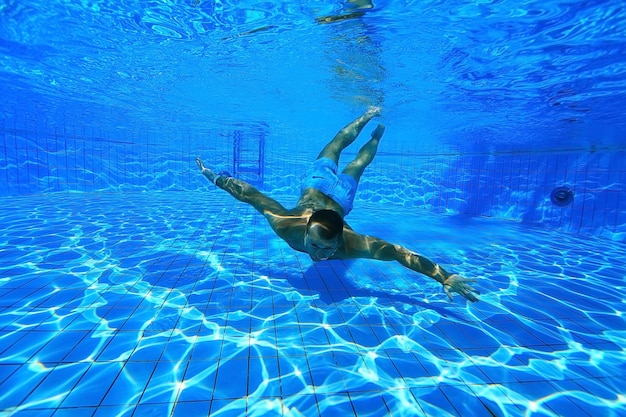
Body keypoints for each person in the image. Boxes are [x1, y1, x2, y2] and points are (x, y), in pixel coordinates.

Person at [196, 108, 479, 302]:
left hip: (334, 195)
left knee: (356, 161)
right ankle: (369, 116)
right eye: (316, 246)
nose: (319, 255)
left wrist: (444, 276)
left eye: (327, 249)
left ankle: (376, 133)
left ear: (340, 239)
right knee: (343, 151)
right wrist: (214, 177)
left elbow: (398, 253)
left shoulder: (352, 244)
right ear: (305, 231)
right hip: (320, 184)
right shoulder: (286, 225)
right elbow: (249, 194)